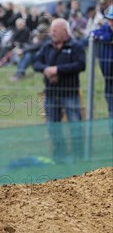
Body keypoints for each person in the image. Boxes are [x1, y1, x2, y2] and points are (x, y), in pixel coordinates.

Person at [33, 18, 86, 162]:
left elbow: (81, 65)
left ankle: (78, 155)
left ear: (64, 31)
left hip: (70, 93)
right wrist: (46, 70)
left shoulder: (75, 47)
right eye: (51, 31)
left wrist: (58, 70)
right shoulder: (47, 46)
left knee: (75, 125)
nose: (52, 33)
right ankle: (59, 156)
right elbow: (36, 63)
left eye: (55, 31)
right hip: (51, 94)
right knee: (53, 127)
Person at [90, 5, 113, 134]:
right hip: (109, 82)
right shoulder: (105, 31)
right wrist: (103, 38)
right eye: (110, 19)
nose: (112, 23)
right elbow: (92, 34)